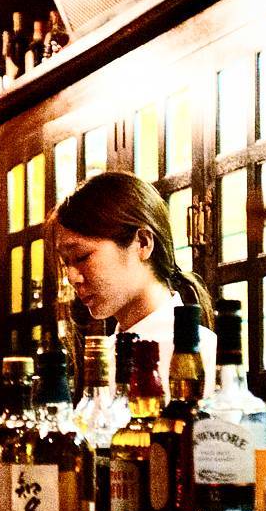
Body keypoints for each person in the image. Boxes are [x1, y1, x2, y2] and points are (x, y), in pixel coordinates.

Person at [48, 171, 216, 399]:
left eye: (82, 257)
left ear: (143, 243)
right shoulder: (104, 355)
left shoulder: (201, 352)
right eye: (65, 263)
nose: (72, 277)